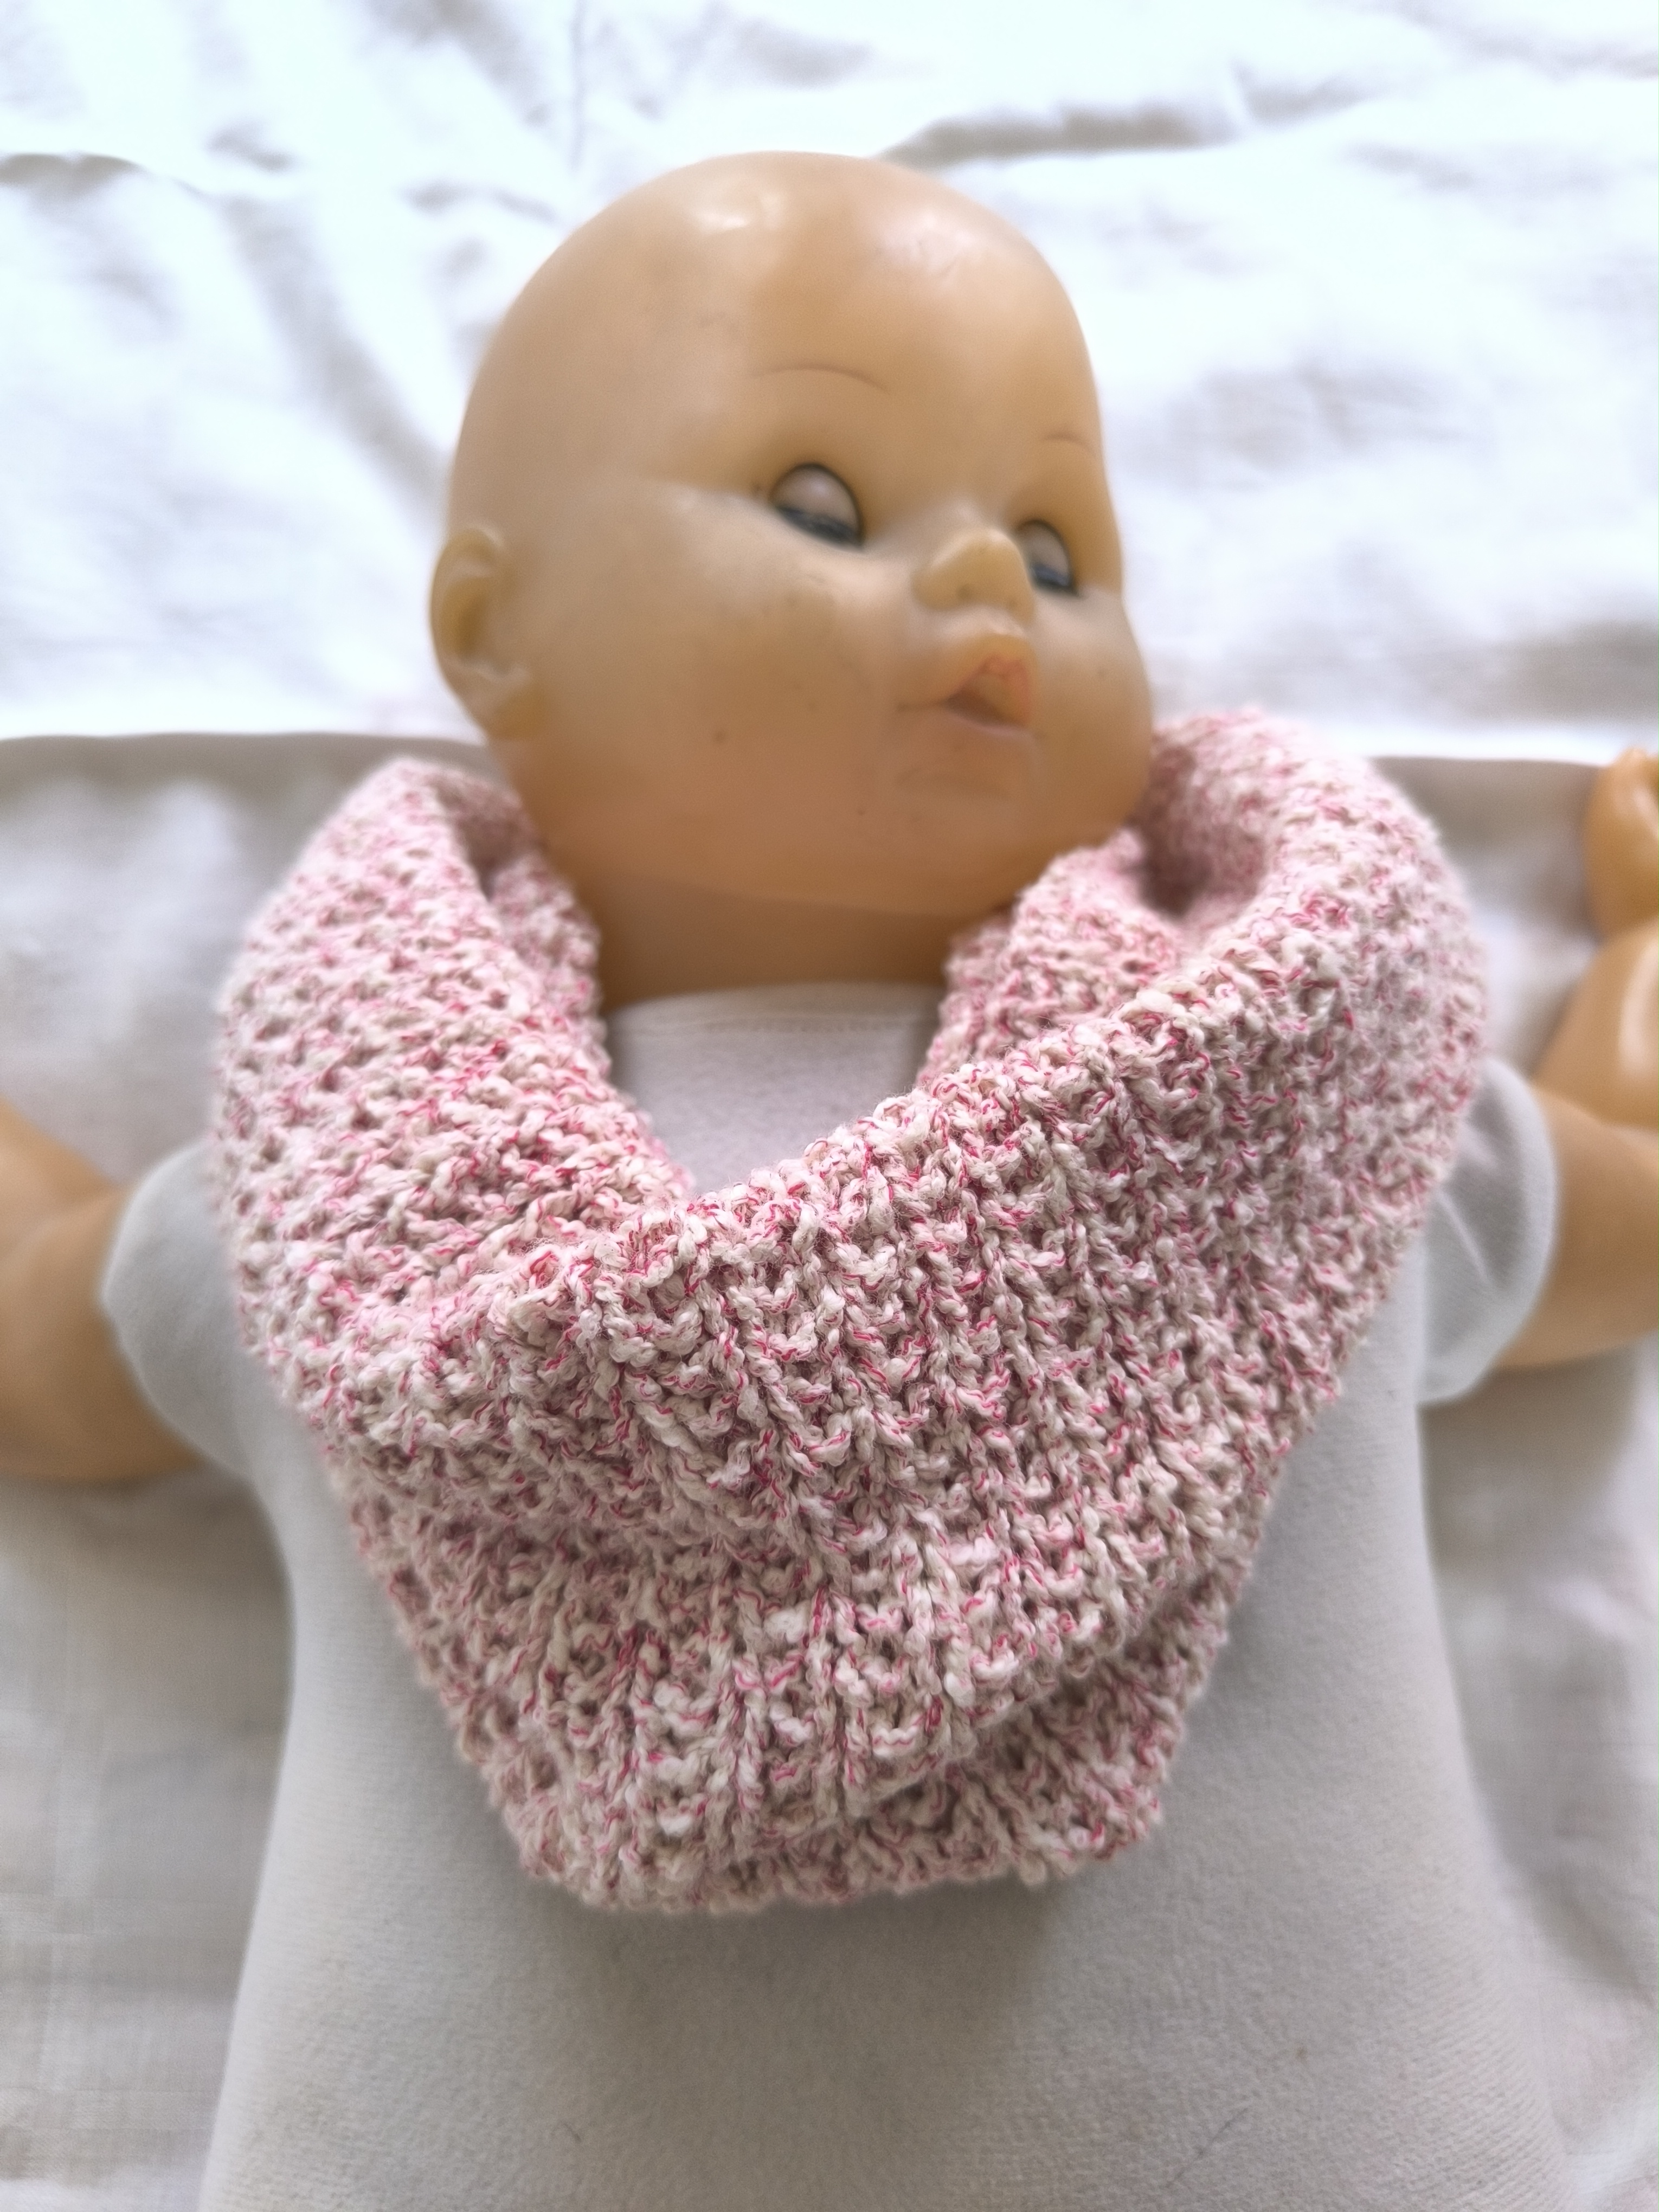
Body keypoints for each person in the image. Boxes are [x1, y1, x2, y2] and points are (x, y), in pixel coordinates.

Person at [2, 149, 1657, 2208]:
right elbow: (35, 1341)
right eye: (819, 503)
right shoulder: (352, 1197)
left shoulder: (1290, 1111)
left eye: (1054, 548)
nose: (983, 582)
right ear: (491, 633)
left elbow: (1626, 1207)